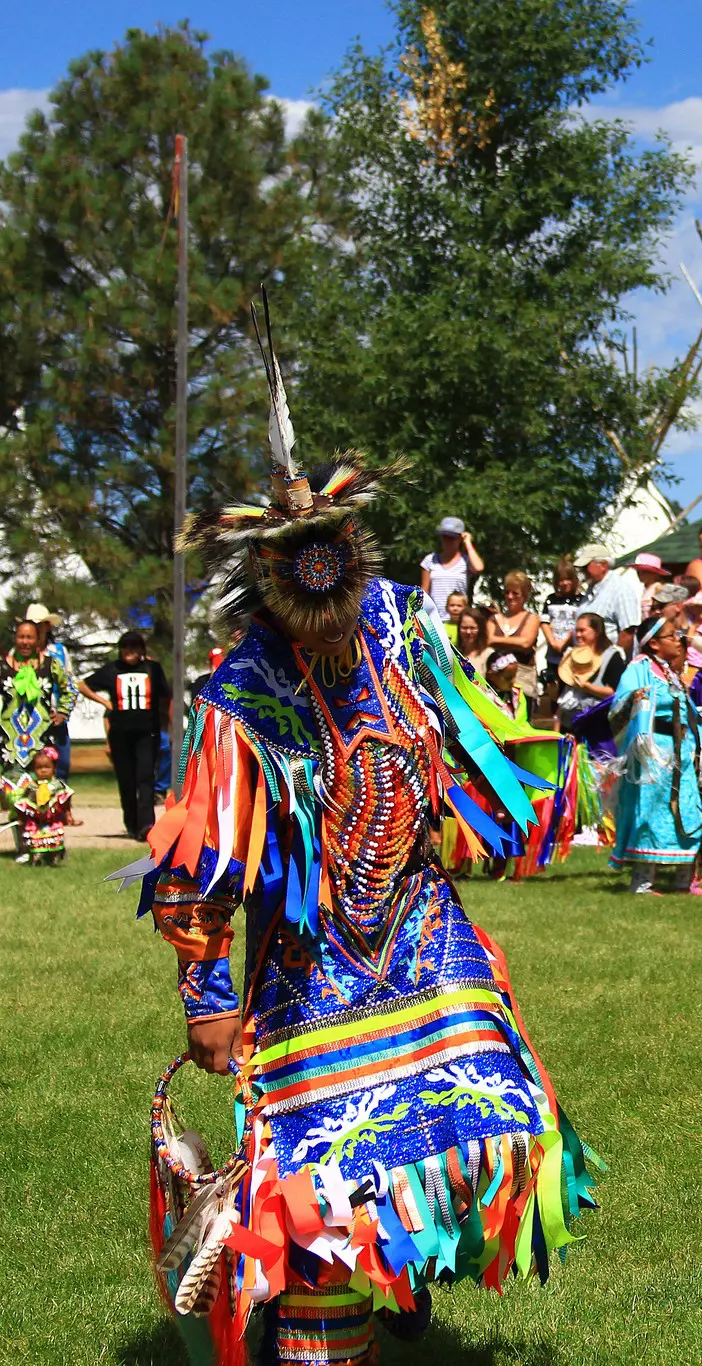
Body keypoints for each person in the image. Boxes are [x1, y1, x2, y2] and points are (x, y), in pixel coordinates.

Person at [134, 360, 593, 1363]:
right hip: (308, 969)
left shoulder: (399, 620)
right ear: (269, 583)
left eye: (339, 577)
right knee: (320, 1167)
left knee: (486, 1116)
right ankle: (321, 1332)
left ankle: (395, 1269)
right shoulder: (242, 694)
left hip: (427, 937)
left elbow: (465, 742)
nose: (334, 614)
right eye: (308, 595)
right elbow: (195, 861)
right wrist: (208, 995)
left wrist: (531, 787)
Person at [610, 616, 702, 895]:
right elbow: (618, 707)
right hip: (652, 751)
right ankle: (643, 883)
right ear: (654, 644)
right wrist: (635, 698)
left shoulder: (671, 672)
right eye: (671, 636)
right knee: (651, 811)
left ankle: (684, 881)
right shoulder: (639, 668)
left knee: (687, 806)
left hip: (679, 749)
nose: (679, 640)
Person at [79, 629, 170, 840]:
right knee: (126, 780)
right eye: (125, 646)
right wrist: (105, 702)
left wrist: (170, 724)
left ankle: (147, 825)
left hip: (147, 732)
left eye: (134, 646)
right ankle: (132, 823)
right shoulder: (112, 670)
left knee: (146, 777)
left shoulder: (152, 669)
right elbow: (83, 685)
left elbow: (167, 696)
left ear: (141, 649)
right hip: (120, 734)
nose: (129, 650)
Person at [2, 618, 75, 777]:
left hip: (42, 741)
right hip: (8, 744)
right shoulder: (3, 666)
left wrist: (63, 713)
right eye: (21, 637)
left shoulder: (50, 665)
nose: (25, 642)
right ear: (15, 639)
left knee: (41, 794)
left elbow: (70, 688)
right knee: (10, 795)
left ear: (37, 640)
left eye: (29, 637)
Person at [557, 612, 628, 760]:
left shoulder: (612, 656)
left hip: (599, 734)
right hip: (570, 729)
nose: (578, 635)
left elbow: (616, 692)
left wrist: (587, 687)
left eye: (582, 630)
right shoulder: (572, 656)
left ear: (596, 632)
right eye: (576, 630)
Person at [12, 746, 78, 865]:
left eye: (47, 767)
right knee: (35, 837)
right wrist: (21, 817)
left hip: (53, 818)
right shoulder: (31, 787)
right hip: (35, 819)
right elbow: (23, 803)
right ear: (33, 769)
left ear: (54, 768)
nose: (43, 770)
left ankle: (55, 855)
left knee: (54, 835)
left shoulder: (57, 785)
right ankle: (36, 856)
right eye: (39, 768)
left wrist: (68, 815)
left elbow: (65, 801)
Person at [488, 569, 542, 703]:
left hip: (523, 679)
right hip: (495, 681)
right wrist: (514, 641)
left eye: (515, 593)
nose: (510, 597)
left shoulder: (531, 618)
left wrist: (497, 640)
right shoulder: (494, 618)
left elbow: (526, 643)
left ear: (524, 595)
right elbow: (488, 640)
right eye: (507, 592)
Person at [577, 545, 644, 648]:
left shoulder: (621, 590)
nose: (583, 572)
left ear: (603, 565)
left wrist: (611, 660)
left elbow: (628, 633)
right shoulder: (592, 589)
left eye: (586, 567)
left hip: (606, 660)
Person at [541, 557, 584, 716]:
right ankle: (555, 722)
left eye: (568, 579)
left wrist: (564, 642)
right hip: (554, 655)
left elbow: (580, 623)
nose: (565, 583)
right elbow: (544, 621)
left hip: (573, 654)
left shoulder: (581, 600)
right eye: (561, 580)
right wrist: (553, 642)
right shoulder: (551, 599)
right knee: (554, 691)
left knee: (572, 693)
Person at [419, 515, 483, 622]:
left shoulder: (466, 561)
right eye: (445, 537)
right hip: (435, 619)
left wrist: (468, 543)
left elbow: (478, 567)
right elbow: (424, 591)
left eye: (452, 538)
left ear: (459, 539)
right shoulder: (430, 560)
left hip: (459, 620)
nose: (447, 541)